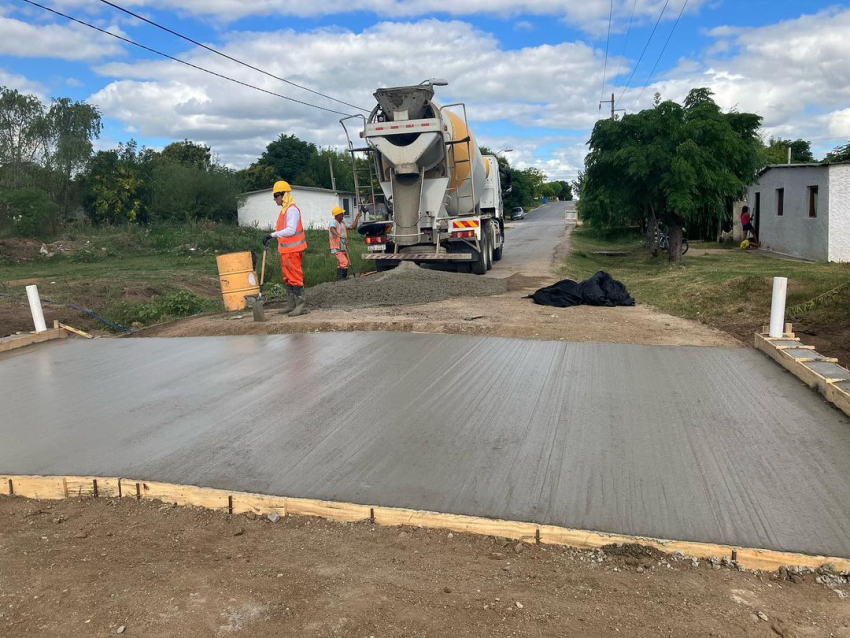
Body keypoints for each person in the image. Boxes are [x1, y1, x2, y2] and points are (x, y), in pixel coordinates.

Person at [263, 181, 307, 316]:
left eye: (276, 196)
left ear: (284, 195)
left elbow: (291, 230)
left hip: (293, 250)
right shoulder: (284, 211)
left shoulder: (292, 210)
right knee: (287, 277)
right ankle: (291, 304)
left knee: (295, 277)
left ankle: (300, 305)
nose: (274, 199)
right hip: (285, 250)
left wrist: (271, 235)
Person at [328, 206, 361, 281]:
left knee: (340, 264)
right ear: (337, 215)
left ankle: (339, 278)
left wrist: (356, 218)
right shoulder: (333, 222)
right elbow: (332, 229)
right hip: (336, 247)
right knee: (344, 263)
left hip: (343, 247)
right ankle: (342, 278)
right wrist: (339, 236)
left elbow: (352, 227)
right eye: (342, 214)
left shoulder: (343, 223)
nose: (343, 215)